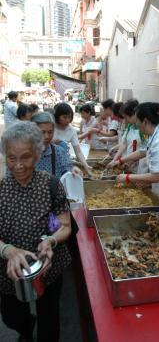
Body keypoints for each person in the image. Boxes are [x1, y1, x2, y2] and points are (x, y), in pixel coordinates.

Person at [0, 121, 71, 341]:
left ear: (38, 155)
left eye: (26, 157)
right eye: (12, 158)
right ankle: (25, 327)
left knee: (49, 319)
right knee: (12, 316)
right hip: (10, 269)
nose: (19, 165)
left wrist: (51, 240)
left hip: (48, 267)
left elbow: (64, 225)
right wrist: (8, 250)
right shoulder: (1, 188)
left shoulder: (50, 185)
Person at [31, 111, 82, 179]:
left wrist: (73, 170)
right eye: (42, 132)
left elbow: (67, 169)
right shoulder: (24, 153)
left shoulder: (59, 152)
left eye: (50, 132)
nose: (47, 136)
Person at [53, 102, 91, 175]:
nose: (68, 120)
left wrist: (86, 165)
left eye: (69, 117)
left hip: (63, 163)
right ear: (57, 116)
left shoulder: (71, 130)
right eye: (64, 117)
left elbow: (78, 152)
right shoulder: (51, 127)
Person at [108, 99, 145, 171]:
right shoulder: (129, 127)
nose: (125, 120)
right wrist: (114, 160)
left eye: (126, 117)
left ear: (134, 115)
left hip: (140, 165)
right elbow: (124, 144)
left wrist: (128, 161)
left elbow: (143, 151)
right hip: (129, 162)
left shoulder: (143, 129)